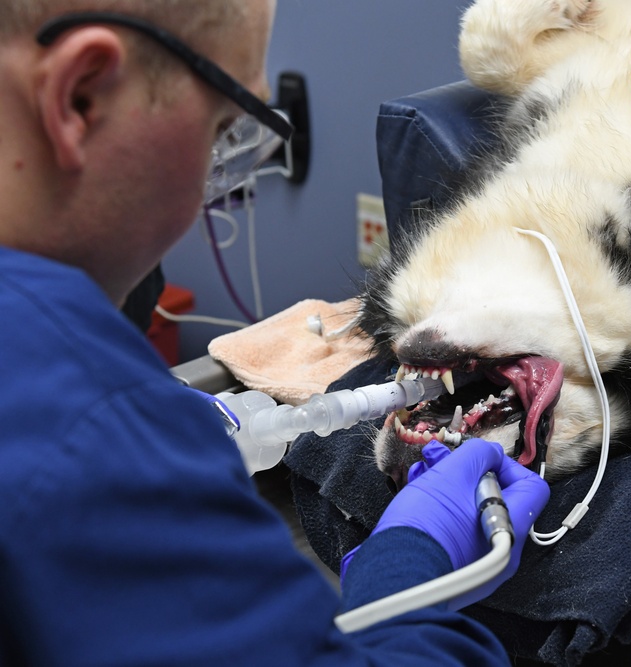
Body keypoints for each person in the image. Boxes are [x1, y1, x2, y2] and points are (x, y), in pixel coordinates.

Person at [0, 1, 550, 665]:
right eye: (223, 129)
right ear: (81, 95)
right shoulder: (85, 430)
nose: (213, 183)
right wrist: (412, 566)